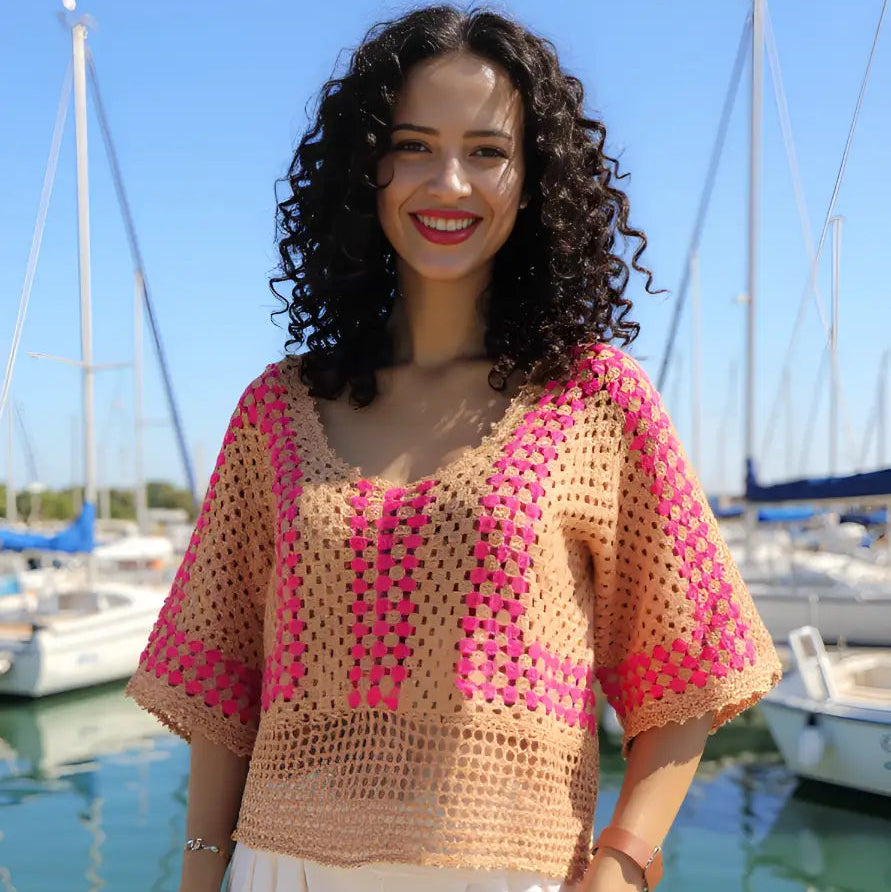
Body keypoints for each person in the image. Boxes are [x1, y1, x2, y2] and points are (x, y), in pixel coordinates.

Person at [126, 6, 782, 892]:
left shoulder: (593, 400)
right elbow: (223, 685)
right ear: (366, 167)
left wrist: (621, 865)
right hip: (281, 868)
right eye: (412, 146)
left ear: (533, 178)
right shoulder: (278, 410)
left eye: (486, 151)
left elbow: (687, 665)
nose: (447, 182)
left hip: (507, 870)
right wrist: (201, 870)